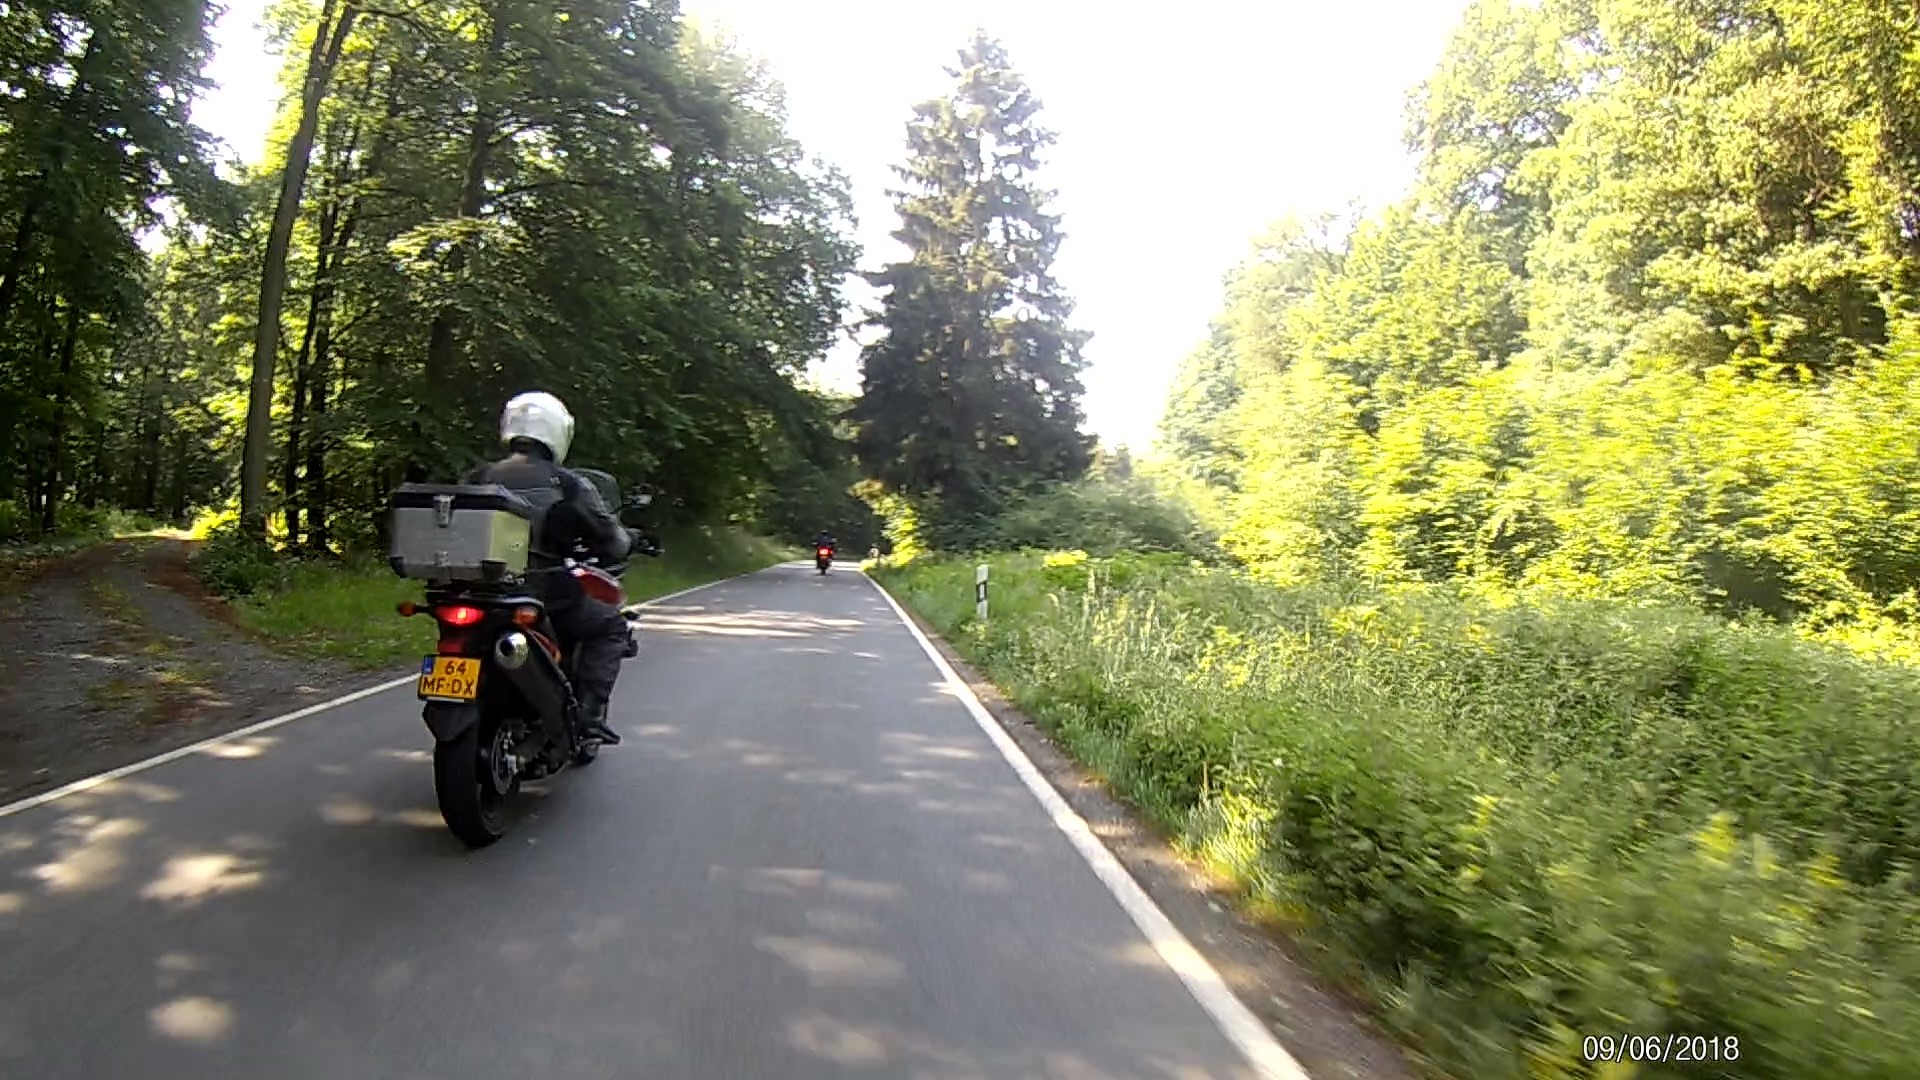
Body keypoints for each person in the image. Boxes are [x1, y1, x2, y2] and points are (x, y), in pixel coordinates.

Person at [465, 391, 631, 746]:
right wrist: (626, 541)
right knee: (611, 626)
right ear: (557, 432)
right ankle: (589, 717)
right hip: (545, 595)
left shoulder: (479, 477)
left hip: (477, 593)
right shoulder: (568, 484)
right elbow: (612, 540)